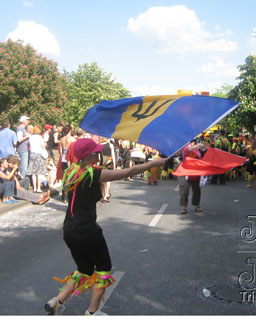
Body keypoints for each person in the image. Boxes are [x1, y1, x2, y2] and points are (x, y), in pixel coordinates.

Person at [45, 138, 166, 316]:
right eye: (96, 152)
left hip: (70, 229)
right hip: (86, 231)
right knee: (103, 269)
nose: (100, 154)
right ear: (89, 156)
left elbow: (79, 201)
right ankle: (92, 313)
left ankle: (57, 301)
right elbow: (129, 171)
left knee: (84, 270)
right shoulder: (94, 174)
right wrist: (154, 163)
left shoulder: (71, 171)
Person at [178, 141, 205, 214]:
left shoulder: (197, 151)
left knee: (197, 190)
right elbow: (189, 149)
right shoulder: (186, 148)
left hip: (195, 173)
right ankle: (184, 207)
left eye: (194, 142)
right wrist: (198, 145)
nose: (193, 143)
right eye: (192, 142)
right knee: (184, 190)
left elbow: (200, 160)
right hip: (186, 173)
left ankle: (197, 206)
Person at [27, 125, 48, 193]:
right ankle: (38, 187)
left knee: (33, 172)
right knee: (39, 172)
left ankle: (34, 188)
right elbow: (42, 146)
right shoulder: (39, 137)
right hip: (39, 154)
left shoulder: (31, 137)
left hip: (32, 154)